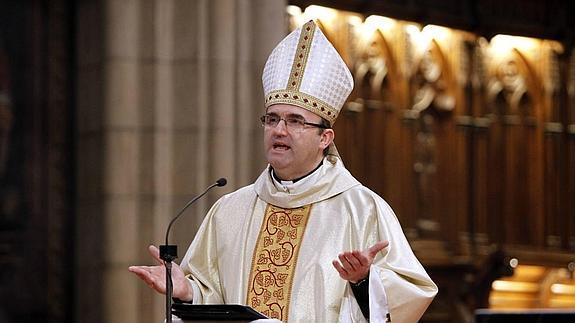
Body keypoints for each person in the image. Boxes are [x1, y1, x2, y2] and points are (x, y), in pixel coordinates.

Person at [129, 20, 437, 322]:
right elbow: (213, 299)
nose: (279, 130)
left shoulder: (362, 209)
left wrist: (364, 282)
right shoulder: (229, 210)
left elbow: (411, 298)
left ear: (324, 138)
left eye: (295, 121)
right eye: (272, 119)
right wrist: (188, 292)